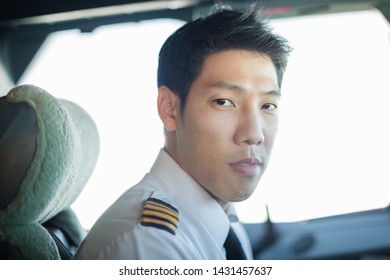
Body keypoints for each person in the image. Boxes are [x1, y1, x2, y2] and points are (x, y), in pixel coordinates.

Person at [73, 2, 291, 260]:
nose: (254, 134)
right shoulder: (146, 244)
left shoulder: (223, 218)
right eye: (224, 102)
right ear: (170, 109)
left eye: (268, 105)